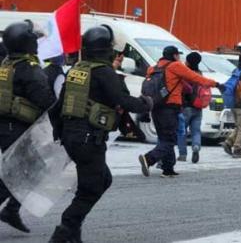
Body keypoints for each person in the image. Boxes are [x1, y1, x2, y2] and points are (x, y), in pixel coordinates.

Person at [49, 25, 152, 242]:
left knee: (103, 179)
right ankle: (65, 230)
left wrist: (61, 132)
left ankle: (73, 233)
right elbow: (123, 101)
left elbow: (57, 107)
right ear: (106, 49)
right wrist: (146, 104)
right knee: (92, 187)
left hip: (73, 137)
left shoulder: (77, 69)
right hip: (88, 139)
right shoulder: (104, 72)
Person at [0, 21, 56, 235]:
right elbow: (45, 99)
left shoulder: (6, 64)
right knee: (16, 175)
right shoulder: (28, 69)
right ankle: (11, 210)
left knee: (29, 170)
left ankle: (12, 210)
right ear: (26, 43)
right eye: (35, 40)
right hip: (17, 128)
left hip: (8, 126)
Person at [139, 46, 218, 177]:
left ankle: (168, 169)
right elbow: (195, 78)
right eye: (178, 55)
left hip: (155, 106)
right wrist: (216, 84)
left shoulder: (152, 68)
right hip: (170, 107)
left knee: (164, 137)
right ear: (175, 56)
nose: (180, 58)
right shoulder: (175, 66)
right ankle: (149, 158)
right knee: (170, 139)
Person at [178, 52, 206, 163]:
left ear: (189, 61)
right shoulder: (200, 74)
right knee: (196, 131)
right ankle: (196, 147)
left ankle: (182, 154)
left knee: (182, 131)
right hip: (198, 107)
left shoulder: (186, 74)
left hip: (185, 107)